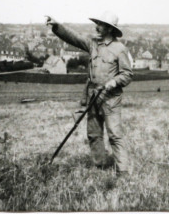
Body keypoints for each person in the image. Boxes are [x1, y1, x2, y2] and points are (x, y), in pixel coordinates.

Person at [46, 11, 133, 176]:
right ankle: (99, 166)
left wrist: (113, 82)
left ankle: (123, 172)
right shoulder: (93, 44)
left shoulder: (120, 49)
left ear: (108, 29)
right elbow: (74, 38)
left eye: (100, 24)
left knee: (114, 134)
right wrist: (56, 26)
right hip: (92, 94)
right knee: (94, 134)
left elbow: (127, 74)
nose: (97, 27)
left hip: (110, 98)